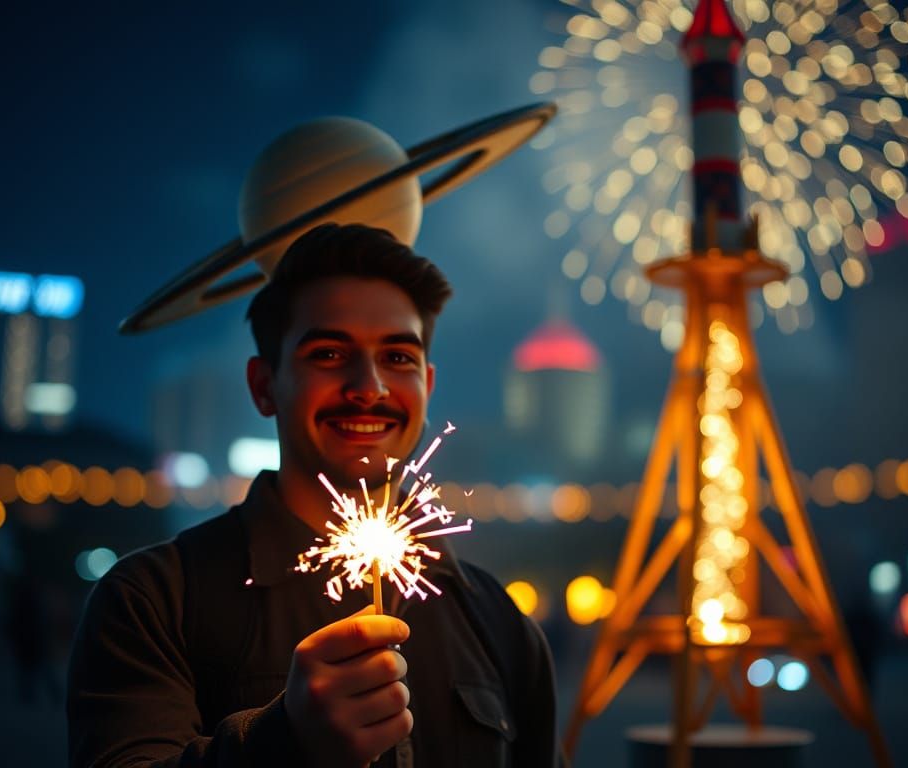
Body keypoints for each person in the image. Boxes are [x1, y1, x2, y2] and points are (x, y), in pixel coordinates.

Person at [67, 223, 562, 767]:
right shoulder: (151, 600)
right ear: (263, 386)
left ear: (429, 385)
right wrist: (284, 742)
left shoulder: (499, 621)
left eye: (398, 357)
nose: (369, 387)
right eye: (328, 353)